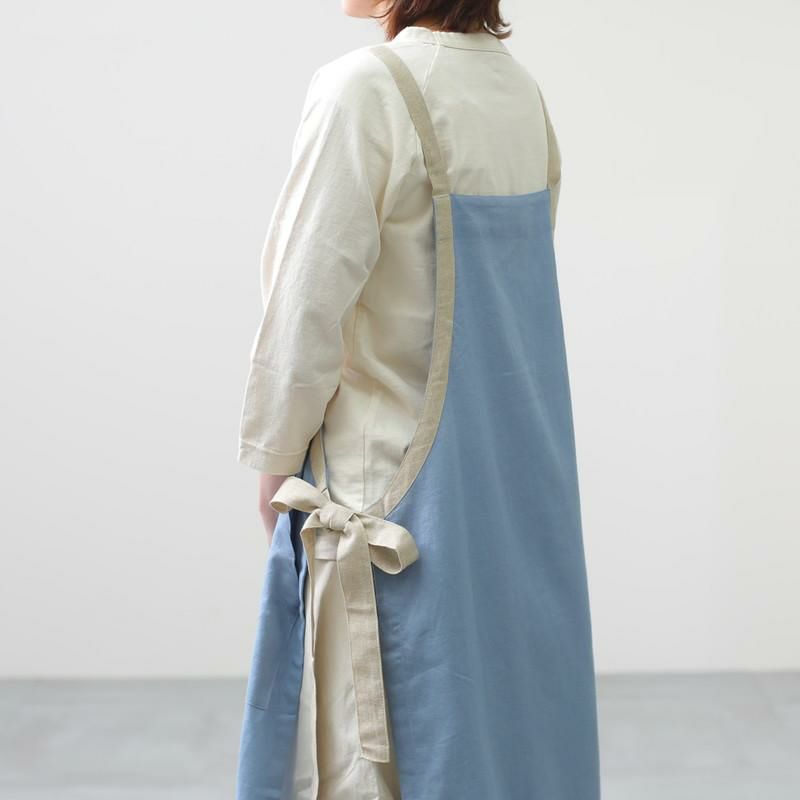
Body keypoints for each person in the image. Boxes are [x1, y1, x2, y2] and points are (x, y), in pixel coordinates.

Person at [235, 2, 601, 799]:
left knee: (388, 759)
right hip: (511, 500)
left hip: (389, 498)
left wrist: (273, 460)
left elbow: (307, 303)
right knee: (506, 744)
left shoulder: (365, 90)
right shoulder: (518, 93)